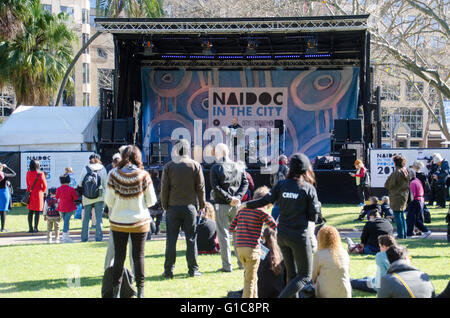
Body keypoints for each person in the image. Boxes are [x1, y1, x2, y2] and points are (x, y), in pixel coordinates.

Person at [240, 152, 320, 298]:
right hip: (299, 236)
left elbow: (264, 201)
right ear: (305, 169)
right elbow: (313, 217)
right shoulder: (308, 188)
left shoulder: (281, 185)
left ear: (290, 167)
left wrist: (245, 205)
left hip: (281, 235)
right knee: (305, 276)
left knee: (292, 274)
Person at [104, 145, 157, 298]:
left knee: (119, 257)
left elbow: (109, 200)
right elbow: (151, 200)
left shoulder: (113, 174)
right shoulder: (143, 175)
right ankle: (141, 292)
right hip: (140, 222)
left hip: (118, 222)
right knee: (138, 256)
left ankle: (116, 292)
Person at [161, 139, 206, 278]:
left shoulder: (169, 166)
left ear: (176, 150)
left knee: (171, 240)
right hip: (190, 207)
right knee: (191, 239)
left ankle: (168, 270)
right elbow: (201, 188)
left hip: (173, 207)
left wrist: (165, 206)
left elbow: (164, 189)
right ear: (188, 150)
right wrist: (202, 206)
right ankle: (193, 269)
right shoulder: (195, 165)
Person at [229, 186, 277, 298]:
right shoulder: (261, 211)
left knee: (253, 277)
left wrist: (242, 231)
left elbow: (231, 228)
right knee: (249, 280)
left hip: (239, 248)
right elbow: (274, 226)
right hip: (252, 249)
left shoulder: (242, 210)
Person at [210, 143, 248, 273]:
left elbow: (216, 187)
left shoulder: (216, 168)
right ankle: (241, 263)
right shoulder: (239, 166)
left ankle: (227, 266)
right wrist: (237, 197)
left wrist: (229, 198)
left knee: (223, 235)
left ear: (219, 153)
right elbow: (245, 183)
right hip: (236, 205)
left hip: (222, 205)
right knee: (237, 234)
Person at [312, 225, 351, 298]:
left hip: (325, 294)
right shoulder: (344, 253)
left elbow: (313, 277)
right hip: (345, 293)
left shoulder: (319, 255)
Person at [78, 153, 108, 242]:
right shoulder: (102, 168)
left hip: (87, 197)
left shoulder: (86, 168)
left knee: (86, 218)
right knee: (99, 218)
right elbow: (105, 184)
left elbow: (80, 183)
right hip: (99, 196)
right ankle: (98, 238)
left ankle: (84, 238)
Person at [385, 155, 410, 239]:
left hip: (396, 196)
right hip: (404, 196)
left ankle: (400, 235)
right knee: (402, 216)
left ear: (395, 163)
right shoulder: (405, 171)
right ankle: (404, 234)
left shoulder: (396, 172)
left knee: (397, 216)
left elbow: (389, 184)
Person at [257, 227, 286, 298]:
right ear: (276, 236)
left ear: (263, 237)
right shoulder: (282, 251)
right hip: (279, 292)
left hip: (261, 292)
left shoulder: (258, 250)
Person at [406, 168, 431, 239]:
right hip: (420, 201)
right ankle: (426, 231)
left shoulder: (412, 183)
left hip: (415, 201)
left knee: (410, 218)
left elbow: (412, 195)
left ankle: (409, 234)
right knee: (416, 219)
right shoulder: (417, 180)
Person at [56, 174, 79, 243]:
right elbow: (75, 197)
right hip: (69, 207)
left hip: (61, 207)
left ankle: (66, 236)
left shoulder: (59, 189)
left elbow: (57, 197)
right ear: (68, 181)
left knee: (65, 221)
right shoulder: (71, 189)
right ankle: (65, 237)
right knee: (66, 222)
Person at [26, 160, 47, 233]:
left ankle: (30, 228)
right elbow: (45, 186)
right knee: (37, 212)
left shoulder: (28, 173)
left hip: (31, 194)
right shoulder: (41, 174)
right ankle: (36, 228)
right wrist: (42, 191)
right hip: (38, 194)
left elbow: (28, 184)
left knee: (30, 212)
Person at [270, 155, 289, 220]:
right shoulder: (285, 168)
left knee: (276, 204)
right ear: (282, 160)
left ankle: (274, 218)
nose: (287, 160)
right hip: (284, 188)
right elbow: (288, 178)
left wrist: (273, 186)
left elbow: (271, 179)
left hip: (275, 188)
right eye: (285, 158)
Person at [0, 163, 16, 232]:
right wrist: (6, 167)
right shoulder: (4, 174)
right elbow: (14, 173)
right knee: (3, 210)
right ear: (2, 167)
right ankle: (2, 228)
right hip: (3, 193)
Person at [148, 169, 163, 238]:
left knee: (151, 217)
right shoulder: (160, 181)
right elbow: (161, 192)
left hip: (151, 203)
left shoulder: (148, 182)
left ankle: (152, 229)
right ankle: (157, 230)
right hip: (158, 202)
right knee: (159, 217)